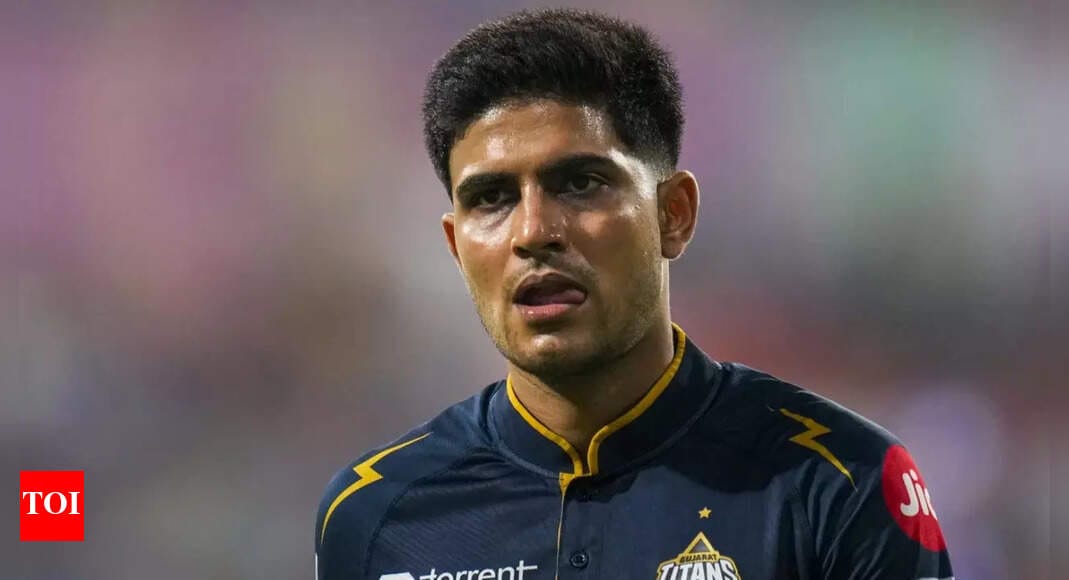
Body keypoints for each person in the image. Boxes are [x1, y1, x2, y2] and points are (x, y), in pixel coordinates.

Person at [315, 8, 954, 580]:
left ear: (674, 214)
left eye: (579, 183)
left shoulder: (839, 483)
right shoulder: (372, 514)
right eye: (491, 198)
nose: (533, 232)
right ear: (456, 247)